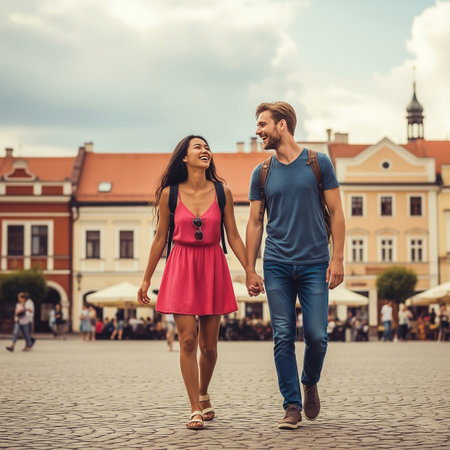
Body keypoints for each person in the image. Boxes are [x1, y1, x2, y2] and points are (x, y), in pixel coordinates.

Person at [137, 135, 252, 430]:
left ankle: (203, 391)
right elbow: (160, 238)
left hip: (213, 265)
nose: (205, 150)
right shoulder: (169, 195)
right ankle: (194, 407)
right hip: (181, 266)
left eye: (207, 147)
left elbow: (235, 237)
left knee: (209, 346)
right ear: (184, 158)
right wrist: (147, 278)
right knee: (188, 339)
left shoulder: (222, 191)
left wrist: (250, 270)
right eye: (197, 147)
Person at [245, 102, 345, 429]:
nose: (258, 130)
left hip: (316, 263)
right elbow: (255, 221)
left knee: (317, 336)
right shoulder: (261, 173)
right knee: (283, 336)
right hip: (276, 264)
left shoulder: (319, 163)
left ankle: (309, 380)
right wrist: (249, 268)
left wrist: (338, 258)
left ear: (282, 125)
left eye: (263, 124)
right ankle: (291, 405)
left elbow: (338, 213)